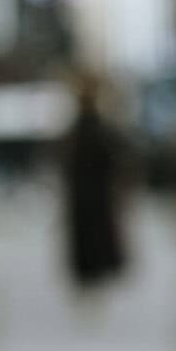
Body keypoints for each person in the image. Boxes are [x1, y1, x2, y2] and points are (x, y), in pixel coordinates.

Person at [62, 68, 130, 292]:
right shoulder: (86, 127)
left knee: (96, 231)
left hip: (94, 193)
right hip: (88, 193)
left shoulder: (93, 128)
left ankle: (97, 269)